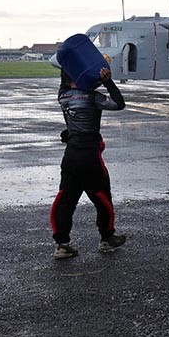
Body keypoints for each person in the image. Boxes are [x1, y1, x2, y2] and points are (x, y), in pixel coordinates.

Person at [51, 67, 127, 259]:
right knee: (102, 198)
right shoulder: (93, 97)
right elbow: (119, 104)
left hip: (70, 156)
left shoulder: (63, 96)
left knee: (65, 201)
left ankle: (62, 244)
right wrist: (108, 81)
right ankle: (107, 238)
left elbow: (64, 81)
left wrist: (68, 65)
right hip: (90, 156)